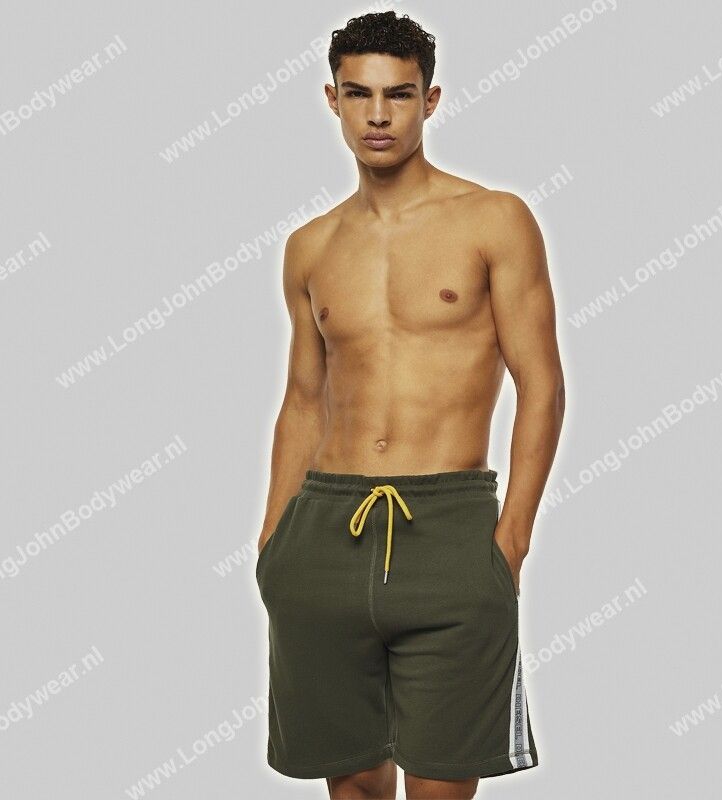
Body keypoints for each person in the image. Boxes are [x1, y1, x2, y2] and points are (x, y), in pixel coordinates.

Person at [255, 10, 565, 799]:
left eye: (398, 94)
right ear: (333, 100)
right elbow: (303, 399)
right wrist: (273, 540)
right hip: (325, 529)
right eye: (359, 94)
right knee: (354, 784)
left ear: (430, 100)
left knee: (440, 786)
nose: (378, 115)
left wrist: (511, 542)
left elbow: (542, 384)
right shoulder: (311, 246)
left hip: (450, 528)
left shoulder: (494, 219)